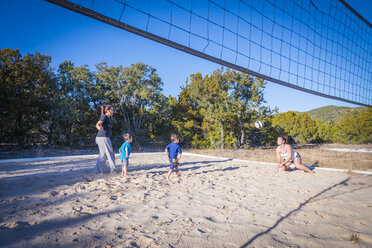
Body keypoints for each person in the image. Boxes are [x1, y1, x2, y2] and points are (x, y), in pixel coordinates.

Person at [94, 105, 119, 174]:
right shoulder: (105, 116)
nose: (113, 111)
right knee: (110, 153)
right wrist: (98, 127)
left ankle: (98, 171)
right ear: (107, 111)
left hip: (101, 138)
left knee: (103, 155)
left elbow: (102, 119)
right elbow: (98, 123)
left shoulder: (106, 117)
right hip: (103, 137)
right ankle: (113, 170)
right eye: (112, 110)